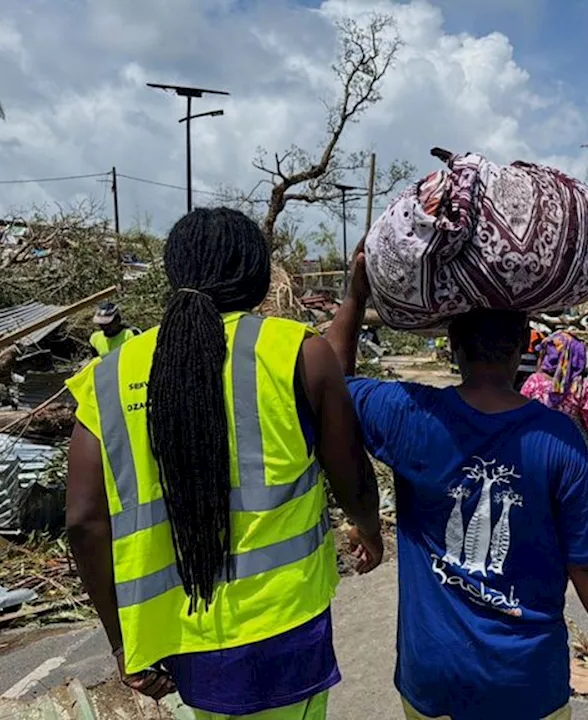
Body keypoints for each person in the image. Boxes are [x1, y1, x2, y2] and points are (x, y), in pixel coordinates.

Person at [65, 208, 383, 719]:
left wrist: (124, 642)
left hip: (179, 637)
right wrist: (369, 529)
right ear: (258, 278)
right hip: (283, 624)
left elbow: (84, 524)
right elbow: (352, 477)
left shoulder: (107, 377)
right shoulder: (294, 351)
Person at [326, 247, 588, 720]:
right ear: (524, 343)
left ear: (453, 343)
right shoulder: (556, 438)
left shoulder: (409, 414)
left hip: (433, 675)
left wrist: (355, 294)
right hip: (525, 682)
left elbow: (329, 387)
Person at [520, 331, 588, 488]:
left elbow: (520, 416)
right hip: (575, 452)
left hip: (538, 450)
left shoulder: (533, 382)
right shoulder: (582, 387)